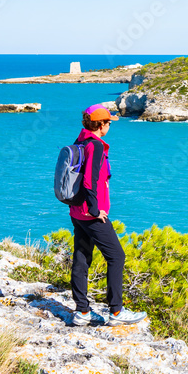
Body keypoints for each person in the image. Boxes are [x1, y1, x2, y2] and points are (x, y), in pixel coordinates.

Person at [69, 104, 147, 327]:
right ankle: (116, 311)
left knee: (82, 257)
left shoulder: (81, 141)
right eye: (108, 122)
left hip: (76, 211)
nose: (110, 125)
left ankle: (82, 312)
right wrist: (95, 210)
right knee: (116, 256)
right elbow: (89, 180)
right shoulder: (94, 145)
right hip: (90, 213)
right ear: (100, 124)